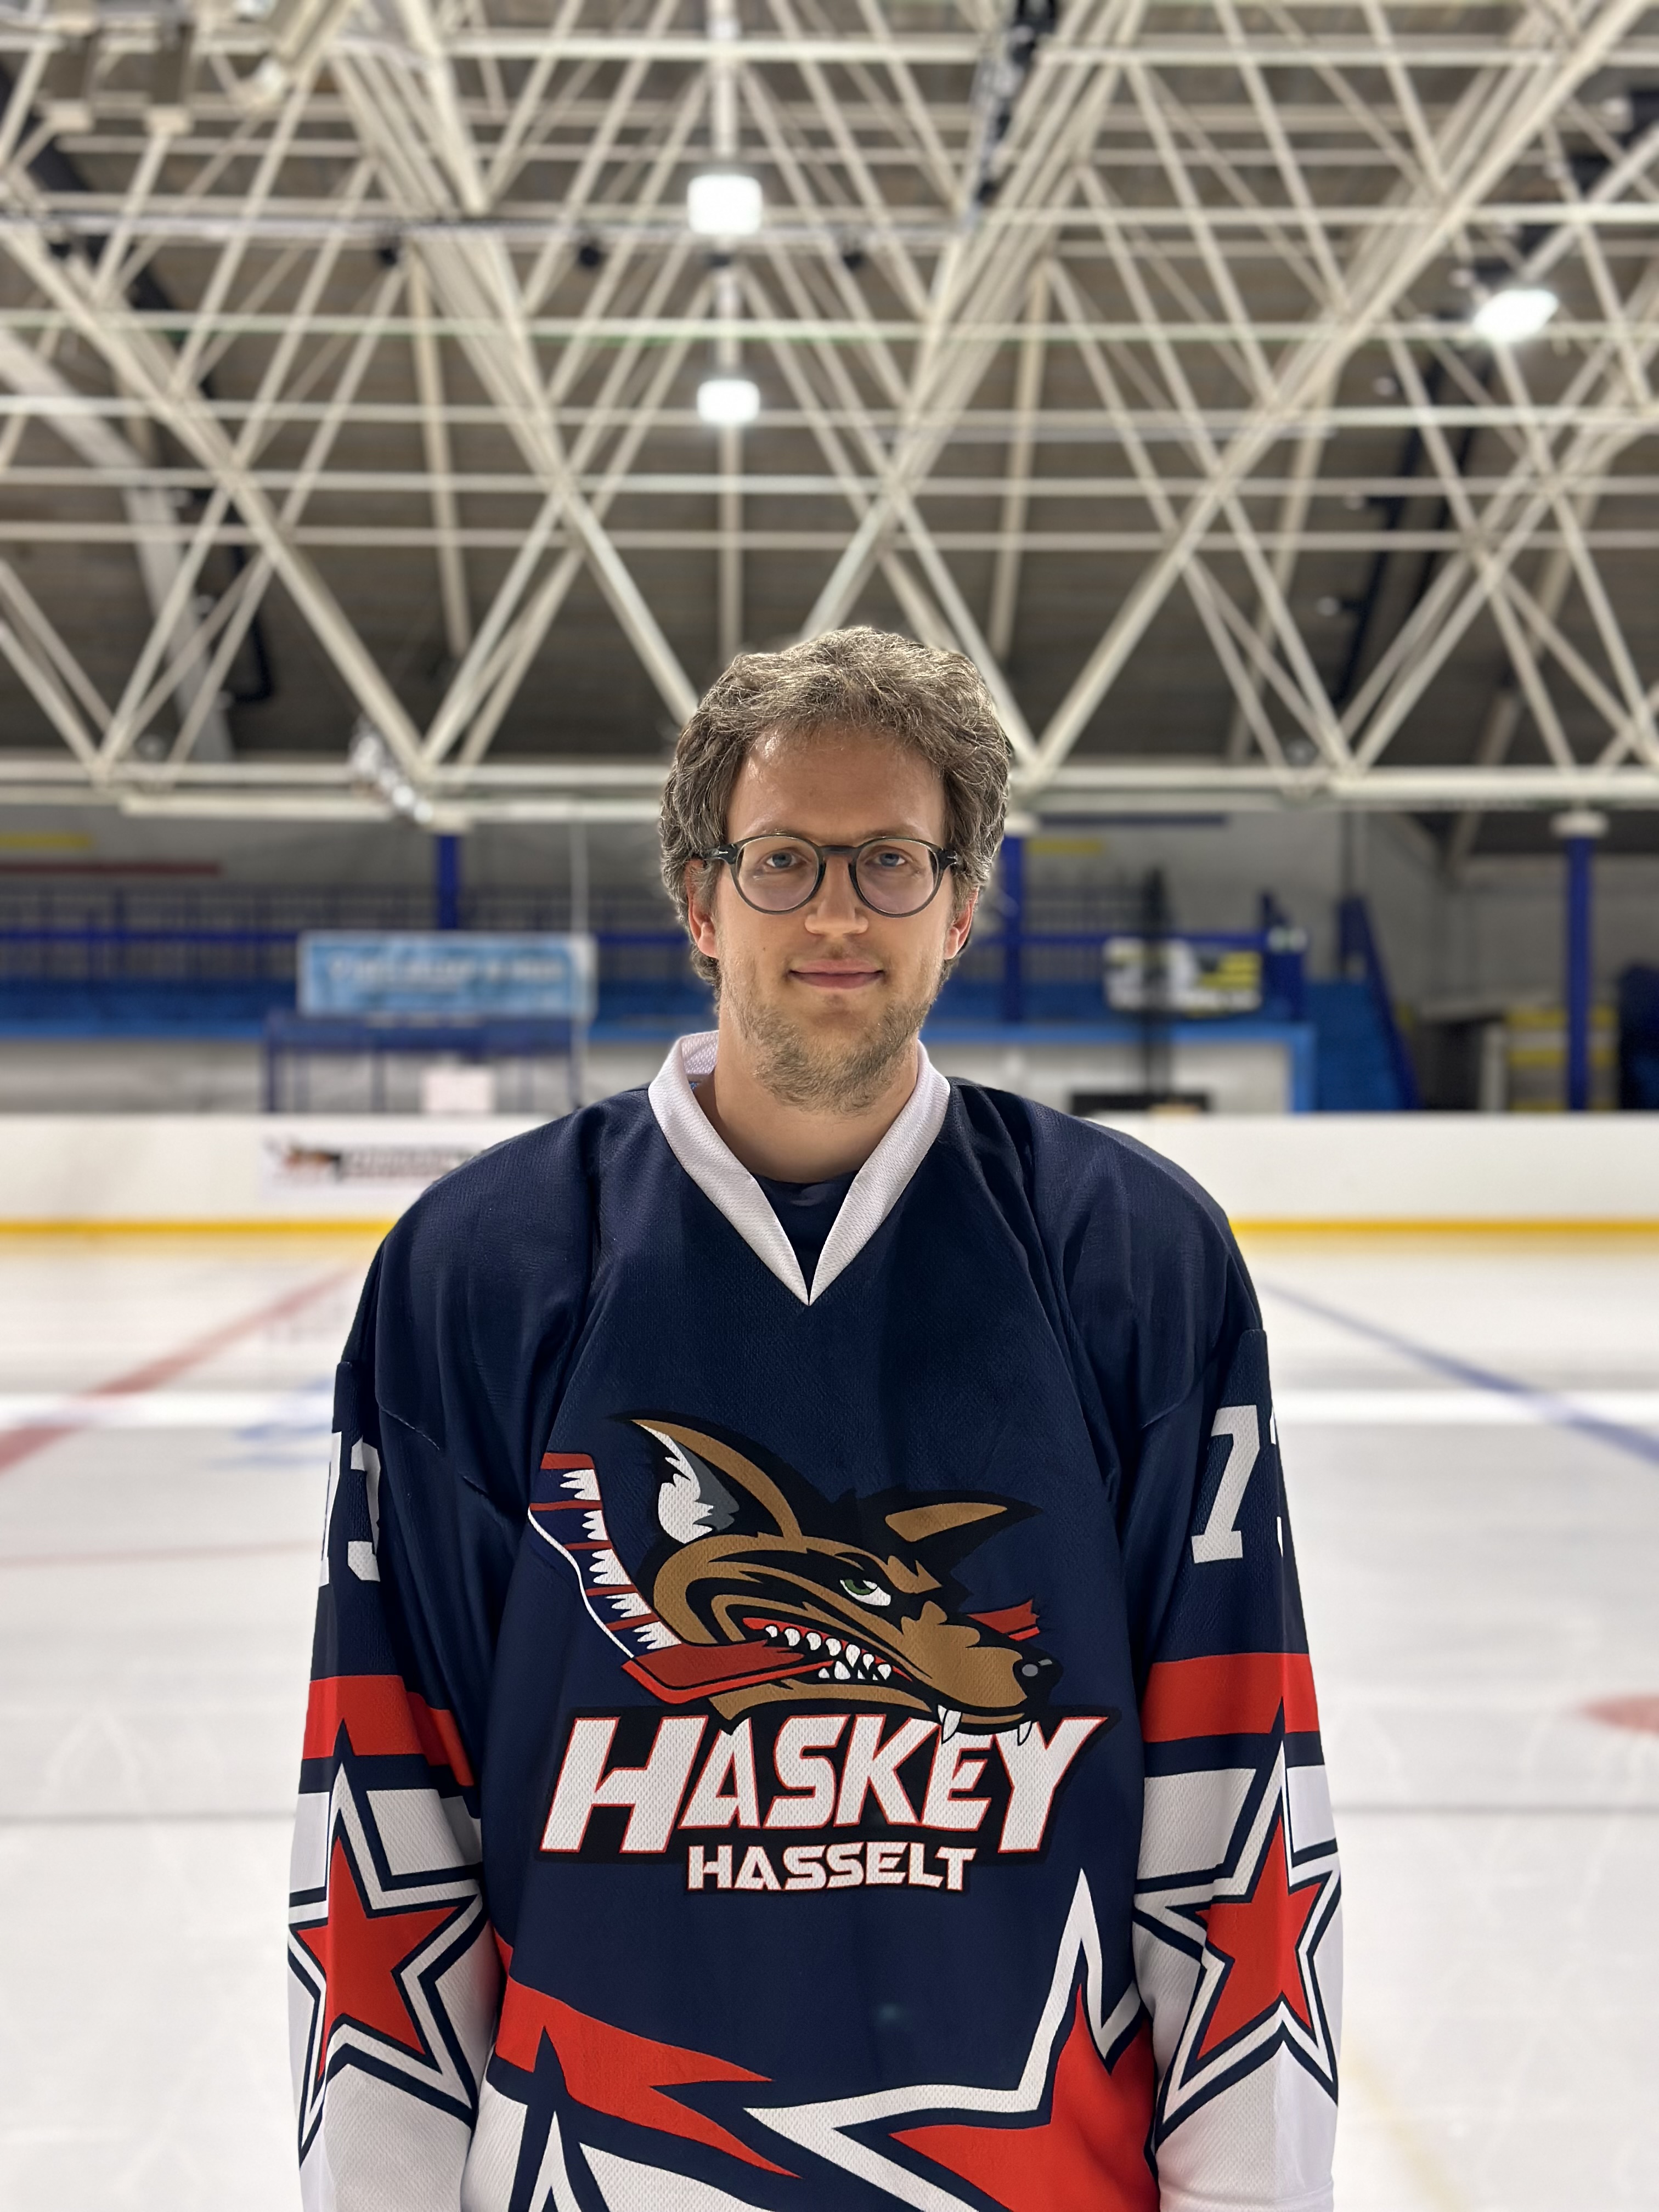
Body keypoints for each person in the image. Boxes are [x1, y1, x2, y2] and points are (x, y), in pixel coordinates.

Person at [290, 627, 1341, 2212]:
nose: (838, 911)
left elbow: (1234, 1810)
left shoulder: (1130, 1258)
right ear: (701, 901)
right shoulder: (481, 1270)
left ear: (961, 909)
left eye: (892, 862)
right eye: (782, 860)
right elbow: (389, 1826)